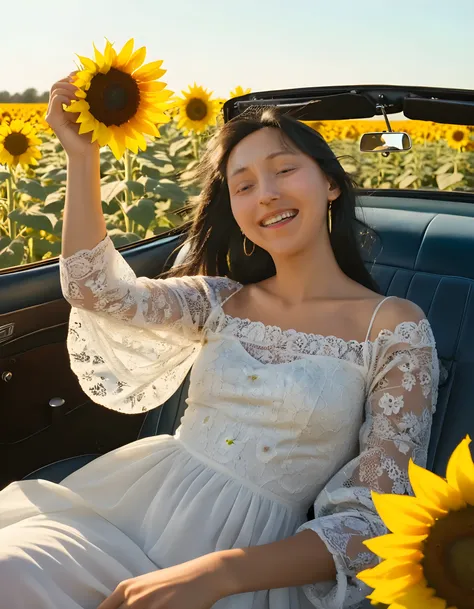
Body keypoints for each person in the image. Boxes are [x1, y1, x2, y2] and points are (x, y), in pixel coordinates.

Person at [0, 71, 440, 609]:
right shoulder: (218, 300)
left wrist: (220, 574)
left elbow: (374, 517)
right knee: (11, 571)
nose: (267, 194)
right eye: (244, 184)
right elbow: (96, 290)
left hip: (251, 567)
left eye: (283, 170)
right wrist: (82, 156)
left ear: (330, 183)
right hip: (129, 511)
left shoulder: (394, 327)